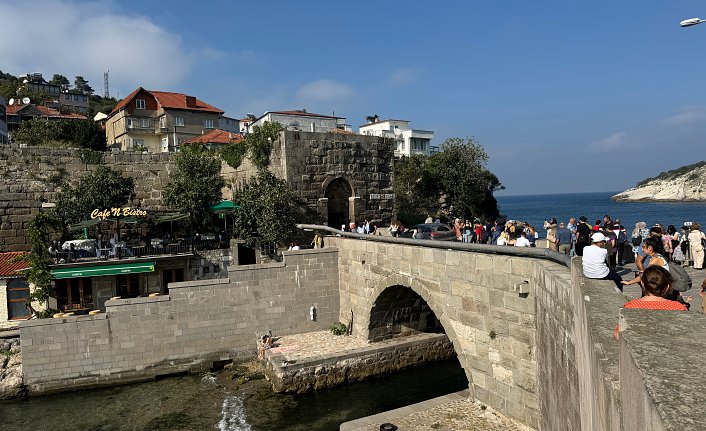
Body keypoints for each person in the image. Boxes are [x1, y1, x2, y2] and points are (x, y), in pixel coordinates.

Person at [614, 266, 688, 340]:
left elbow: (618, 334)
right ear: (668, 287)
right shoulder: (678, 307)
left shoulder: (630, 306)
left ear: (642, 284)